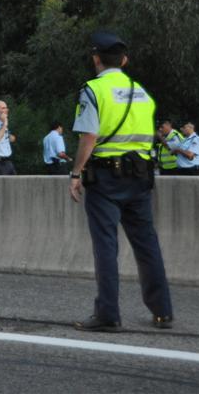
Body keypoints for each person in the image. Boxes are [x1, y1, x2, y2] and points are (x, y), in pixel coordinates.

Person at [68, 31, 173, 332]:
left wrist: (76, 174)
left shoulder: (93, 89)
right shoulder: (141, 92)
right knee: (146, 243)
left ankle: (108, 314)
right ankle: (162, 311)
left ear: (96, 59)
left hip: (105, 178)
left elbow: (89, 136)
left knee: (106, 245)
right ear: (124, 60)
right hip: (140, 177)